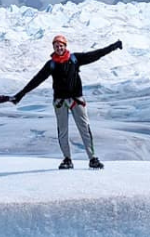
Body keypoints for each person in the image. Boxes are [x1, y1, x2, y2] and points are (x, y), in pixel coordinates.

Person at [11, 34, 122, 170]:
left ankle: (92, 158)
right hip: (60, 102)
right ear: (53, 47)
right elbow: (36, 80)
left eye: (61, 45)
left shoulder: (75, 59)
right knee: (63, 131)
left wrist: (113, 47)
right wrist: (21, 94)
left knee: (84, 129)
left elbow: (95, 55)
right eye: (56, 46)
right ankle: (67, 159)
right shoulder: (51, 64)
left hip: (76, 100)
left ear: (65, 46)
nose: (59, 48)